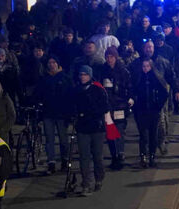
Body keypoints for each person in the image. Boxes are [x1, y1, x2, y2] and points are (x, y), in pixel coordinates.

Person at [34, 56, 74, 174]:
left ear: (58, 64)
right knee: (49, 139)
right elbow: (38, 94)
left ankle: (64, 160)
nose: (51, 65)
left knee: (63, 139)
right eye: (50, 62)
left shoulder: (65, 78)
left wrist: (70, 112)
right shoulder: (44, 79)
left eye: (54, 62)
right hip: (48, 113)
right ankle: (51, 162)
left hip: (61, 114)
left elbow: (70, 96)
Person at [73, 66, 109, 195]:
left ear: (90, 76)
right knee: (84, 157)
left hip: (96, 127)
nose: (82, 77)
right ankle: (86, 183)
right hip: (82, 128)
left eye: (85, 74)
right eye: (81, 74)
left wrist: (90, 113)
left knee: (97, 156)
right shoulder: (77, 90)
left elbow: (104, 107)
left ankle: (99, 178)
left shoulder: (98, 90)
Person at [129, 58, 169, 168]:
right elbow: (133, 91)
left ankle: (152, 156)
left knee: (153, 135)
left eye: (147, 66)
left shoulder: (156, 79)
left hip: (153, 111)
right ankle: (143, 156)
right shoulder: (138, 79)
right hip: (141, 111)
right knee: (143, 135)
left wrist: (158, 105)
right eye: (143, 66)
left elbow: (164, 93)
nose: (145, 68)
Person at [96, 46, 130, 170]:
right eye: (107, 57)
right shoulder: (102, 71)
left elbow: (128, 88)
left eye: (111, 57)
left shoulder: (123, 72)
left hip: (120, 106)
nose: (109, 59)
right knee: (110, 132)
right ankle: (114, 156)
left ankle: (120, 154)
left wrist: (127, 101)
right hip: (107, 107)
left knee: (119, 132)